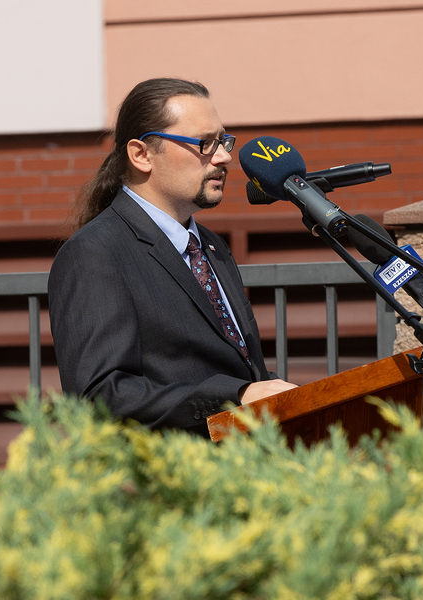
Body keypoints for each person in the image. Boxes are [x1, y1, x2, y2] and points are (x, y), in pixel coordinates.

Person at [48, 78, 296, 437]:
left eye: (223, 141)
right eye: (205, 144)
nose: (224, 157)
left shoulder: (210, 245)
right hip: (168, 480)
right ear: (141, 155)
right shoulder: (95, 254)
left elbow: (241, 371)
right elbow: (99, 396)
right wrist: (235, 396)